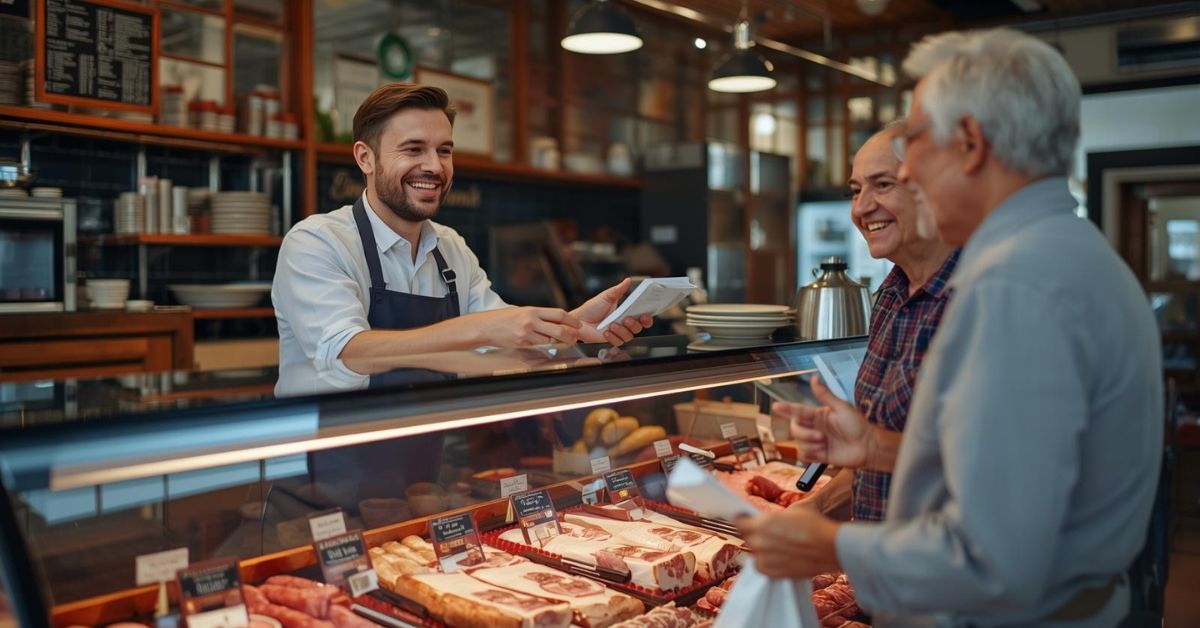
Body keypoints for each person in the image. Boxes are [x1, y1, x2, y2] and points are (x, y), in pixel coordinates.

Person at [740, 28, 1162, 627]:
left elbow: (990, 560)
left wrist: (829, 547)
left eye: (913, 141)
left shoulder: (1015, 285)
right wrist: (872, 449)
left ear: (970, 143)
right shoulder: (1067, 253)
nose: (909, 169)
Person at [272, 83, 651, 397]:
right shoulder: (316, 243)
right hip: (320, 469)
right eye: (413, 149)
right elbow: (348, 353)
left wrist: (573, 325)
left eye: (444, 151)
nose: (434, 166)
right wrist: (482, 328)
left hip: (421, 461)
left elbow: (505, 343)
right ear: (365, 158)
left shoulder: (450, 248)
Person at [806, 120, 959, 522]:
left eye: (883, 185)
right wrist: (812, 509)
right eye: (856, 191)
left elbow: (995, 467)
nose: (861, 208)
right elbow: (875, 466)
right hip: (881, 571)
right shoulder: (889, 297)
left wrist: (873, 448)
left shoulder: (978, 298)